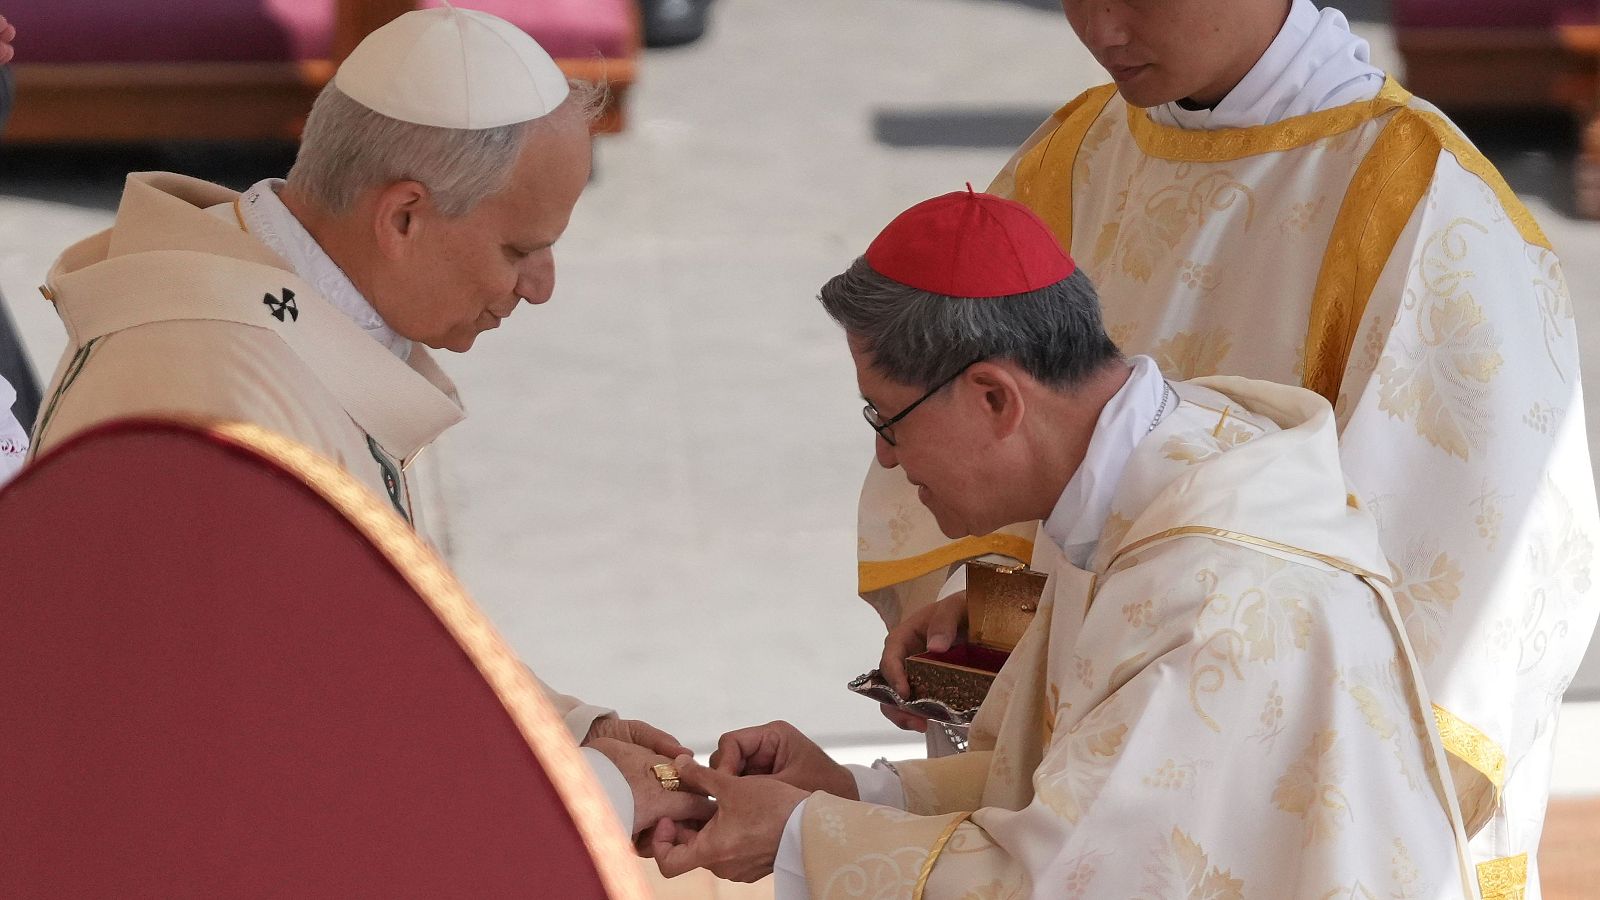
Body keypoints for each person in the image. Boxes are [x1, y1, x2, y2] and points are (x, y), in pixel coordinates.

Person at [857, 1, 1600, 889]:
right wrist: (989, 620)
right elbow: (1011, 449)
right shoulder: (1080, 154)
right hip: (1079, 783)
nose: (1100, 28)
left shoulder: (1424, 210)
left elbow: (1466, 612)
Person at [650, 189, 1475, 897]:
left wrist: (802, 835)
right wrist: (857, 793)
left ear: (994, 398)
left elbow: (1060, 879)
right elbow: (1062, 776)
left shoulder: (1213, 599)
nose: (886, 458)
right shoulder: (1141, 484)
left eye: (887, 418)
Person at [25, 6, 709, 842]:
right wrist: (594, 794)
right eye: (520, 249)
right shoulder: (218, 405)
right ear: (403, 218)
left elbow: (361, 660)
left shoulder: (273, 300)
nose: (542, 286)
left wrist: (564, 731)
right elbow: (286, 768)